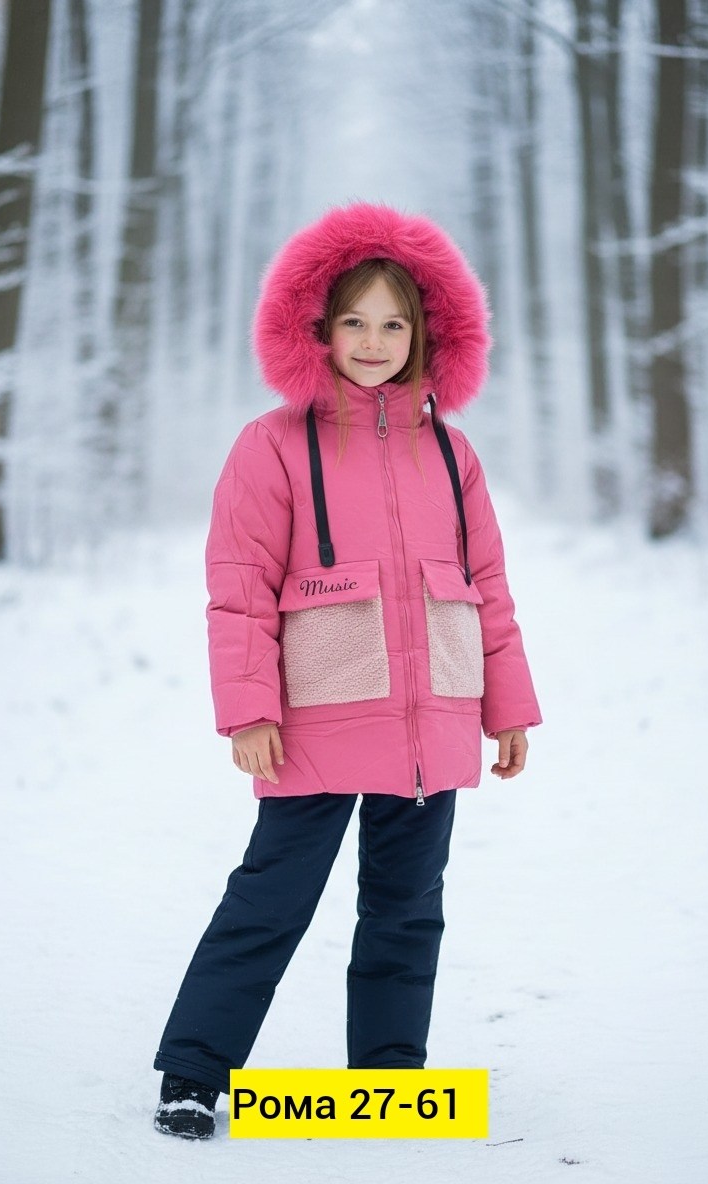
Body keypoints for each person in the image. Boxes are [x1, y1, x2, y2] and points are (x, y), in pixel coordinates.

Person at [152, 202, 542, 1139]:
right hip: (318, 715)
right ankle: (195, 1072)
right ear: (318, 331)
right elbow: (240, 587)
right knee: (270, 900)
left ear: (425, 333)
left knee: (408, 911)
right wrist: (249, 709)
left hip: (432, 716)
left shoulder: (452, 451)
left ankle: (391, 1084)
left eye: (394, 323)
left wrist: (507, 708)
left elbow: (486, 583)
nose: (375, 342)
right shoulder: (274, 444)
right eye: (355, 322)